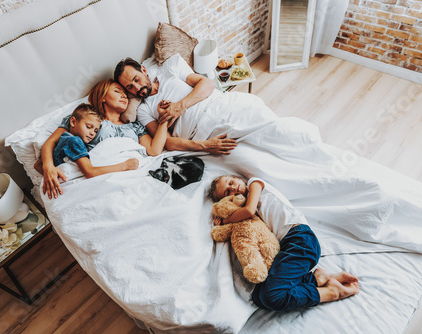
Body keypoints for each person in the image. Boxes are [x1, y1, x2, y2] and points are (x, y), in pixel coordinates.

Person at [208, 174, 360, 311]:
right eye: (227, 193)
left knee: (272, 297)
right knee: (259, 297)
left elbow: (249, 210)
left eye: (230, 182)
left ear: (237, 177)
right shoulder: (249, 212)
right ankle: (317, 279)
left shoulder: (255, 183)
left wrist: (225, 221)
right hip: (287, 245)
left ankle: (332, 292)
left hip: (302, 240)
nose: (233, 188)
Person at [114, 55, 277, 153]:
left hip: (219, 105)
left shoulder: (169, 72)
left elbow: (207, 84)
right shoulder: (143, 110)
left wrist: (178, 107)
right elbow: (168, 143)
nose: (137, 88)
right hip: (203, 133)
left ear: (144, 70)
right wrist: (204, 146)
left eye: (136, 79)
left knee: (266, 122)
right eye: (130, 87)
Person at [38, 79, 169, 199]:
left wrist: (164, 119)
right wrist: (48, 166)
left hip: (132, 174)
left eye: (125, 94)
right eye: (117, 91)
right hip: (100, 175)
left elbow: (154, 150)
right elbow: (52, 141)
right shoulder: (86, 119)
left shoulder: (135, 126)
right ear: (102, 97)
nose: (124, 95)